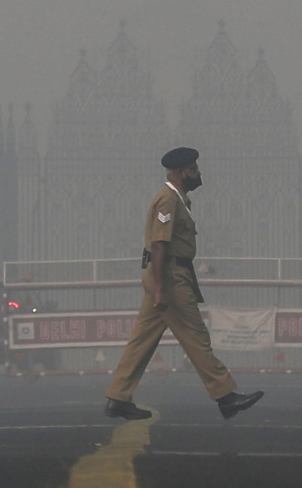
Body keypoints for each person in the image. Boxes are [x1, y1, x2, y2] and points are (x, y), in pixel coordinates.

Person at [104, 146, 264, 421]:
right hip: (169, 276)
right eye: (193, 170)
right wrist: (162, 288)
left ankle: (118, 397)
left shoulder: (177, 199)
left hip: (168, 275)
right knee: (195, 336)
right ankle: (225, 396)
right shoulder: (168, 201)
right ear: (180, 173)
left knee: (141, 341)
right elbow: (159, 245)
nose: (198, 174)